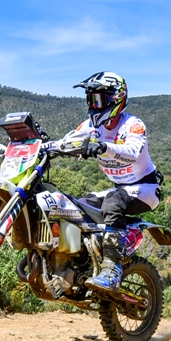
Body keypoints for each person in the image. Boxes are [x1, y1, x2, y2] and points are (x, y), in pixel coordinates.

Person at [55, 71, 162, 291]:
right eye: (91, 100)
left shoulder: (132, 124)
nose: (94, 105)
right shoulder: (91, 126)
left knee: (114, 201)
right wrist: (42, 147)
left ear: (116, 99)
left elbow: (132, 152)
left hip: (146, 188)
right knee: (74, 206)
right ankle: (76, 264)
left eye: (99, 99)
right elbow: (67, 141)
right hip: (119, 189)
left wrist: (103, 147)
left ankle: (112, 270)